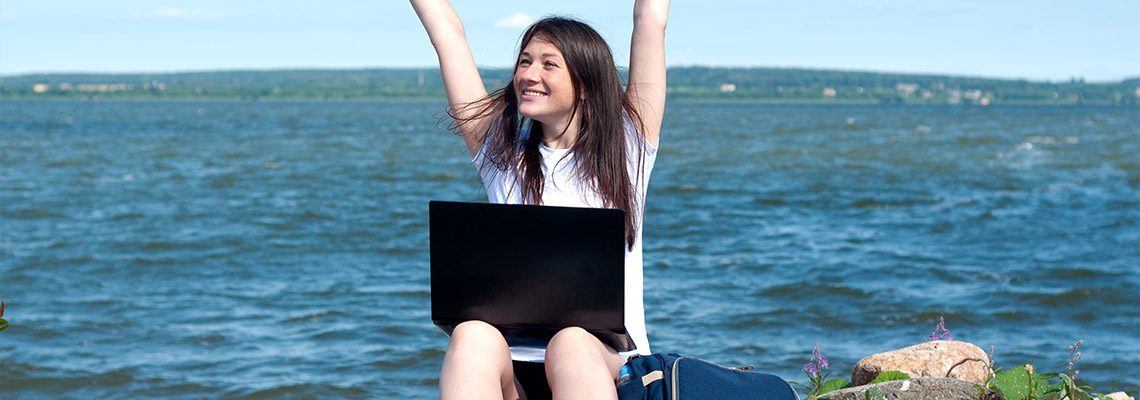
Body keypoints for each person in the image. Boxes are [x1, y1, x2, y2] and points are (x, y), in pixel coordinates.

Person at [410, 1, 669, 399]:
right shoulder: (501, 156)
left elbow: (650, 21)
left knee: (572, 341)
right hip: (515, 372)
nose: (528, 75)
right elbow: (447, 34)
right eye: (525, 61)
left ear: (585, 84)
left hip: (604, 367)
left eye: (549, 64)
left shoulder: (629, 149)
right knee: (472, 334)